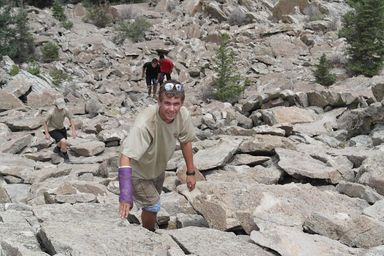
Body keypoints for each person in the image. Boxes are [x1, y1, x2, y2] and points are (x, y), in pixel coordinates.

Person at [118, 80, 196, 231]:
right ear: (158, 101)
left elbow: (186, 142)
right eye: (167, 103)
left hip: (157, 168)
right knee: (153, 205)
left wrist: (191, 172)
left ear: (182, 103)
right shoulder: (145, 123)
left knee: (151, 203)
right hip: (137, 172)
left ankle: (137, 206)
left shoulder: (183, 115)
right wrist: (125, 193)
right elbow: (125, 157)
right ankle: (149, 234)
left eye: (176, 103)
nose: (172, 109)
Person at [44, 98, 76, 163]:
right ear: (56, 106)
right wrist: (47, 133)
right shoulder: (51, 113)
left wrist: (73, 131)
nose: (61, 108)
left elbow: (71, 119)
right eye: (60, 107)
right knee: (63, 141)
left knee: (62, 142)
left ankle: (57, 149)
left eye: (62, 107)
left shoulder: (65, 110)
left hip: (61, 128)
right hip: (52, 129)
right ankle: (66, 157)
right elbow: (45, 122)